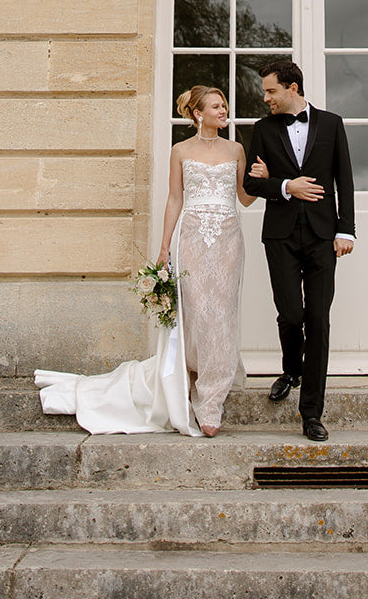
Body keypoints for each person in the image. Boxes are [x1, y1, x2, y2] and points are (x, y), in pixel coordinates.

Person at [35, 86, 264, 437]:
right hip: (191, 238)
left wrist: (260, 180)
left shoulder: (236, 149)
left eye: (224, 106)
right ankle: (191, 378)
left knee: (221, 314)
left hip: (228, 240)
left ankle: (212, 399)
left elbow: (244, 199)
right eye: (217, 106)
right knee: (195, 312)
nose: (224, 111)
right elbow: (174, 199)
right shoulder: (180, 151)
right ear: (198, 114)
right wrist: (164, 247)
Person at [242, 57, 355, 441]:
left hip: (323, 236)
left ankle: (311, 413)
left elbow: (344, 180)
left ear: (292, 88)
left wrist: (346, 231)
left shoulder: (332, 124)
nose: (266, 98)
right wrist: (286, 185)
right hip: (280, 236)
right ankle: (291, 369)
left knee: (318, 320)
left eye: (271, 91)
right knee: (291, 315)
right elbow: (251, 185)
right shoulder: (263, 129)